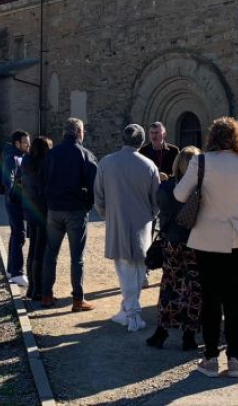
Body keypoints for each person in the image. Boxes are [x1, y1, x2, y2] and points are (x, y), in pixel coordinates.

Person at [175, 117, 238, 378]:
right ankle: (235, 360)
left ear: (212, 137)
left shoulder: (201, 162)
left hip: (206, 237)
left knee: (211, 300)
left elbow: (179, 195)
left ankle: (211, 359)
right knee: (233, 299)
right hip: (237, 237)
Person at [95, 124, 160, 331]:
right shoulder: (149, 165)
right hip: (142, 223)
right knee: (138, 268)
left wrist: (108, 215)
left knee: (124, 268)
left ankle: (131, 312)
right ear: (142, 142)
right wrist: (150, 216)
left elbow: (99, 196)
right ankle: (129, 310)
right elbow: (156, 200)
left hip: (117, 222)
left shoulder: (106, 163)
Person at [147, 146, 203, 351]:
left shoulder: (166, 189)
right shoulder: (201, 190)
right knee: (194, 288)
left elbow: (162, 213)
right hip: (196, 244)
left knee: (170, 286)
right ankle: (189, 335)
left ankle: (162, 331)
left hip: (172, 242)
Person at [41, 118, 99, 312]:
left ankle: (46, 295)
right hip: (76, 210)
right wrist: (88, 204)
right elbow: (94, 186)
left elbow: (43, 179)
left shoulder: (51, 154)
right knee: (77, 257)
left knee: (51, 253)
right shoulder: (85, 154)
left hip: (54, 209)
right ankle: (77, 300)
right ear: (79, 133)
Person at [21, 136, 53, 301]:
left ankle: (32, 288)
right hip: (43, 211)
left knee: (33, 249)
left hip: (30, 211)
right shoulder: (44, 164)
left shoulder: (26, 162)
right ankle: (38, 290)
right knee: (41, 251)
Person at [2, 130, 31, 287]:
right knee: (19, 234)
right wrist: (17, 193)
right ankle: (17, 274)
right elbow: (8, 181)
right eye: (25, 142)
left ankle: (11, 269)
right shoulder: (12, 158)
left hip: (15, 201)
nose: (28, 144)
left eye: (29, 142)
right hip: (15, 202)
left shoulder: (20, 156)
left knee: (16, 234)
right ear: (17, 143)